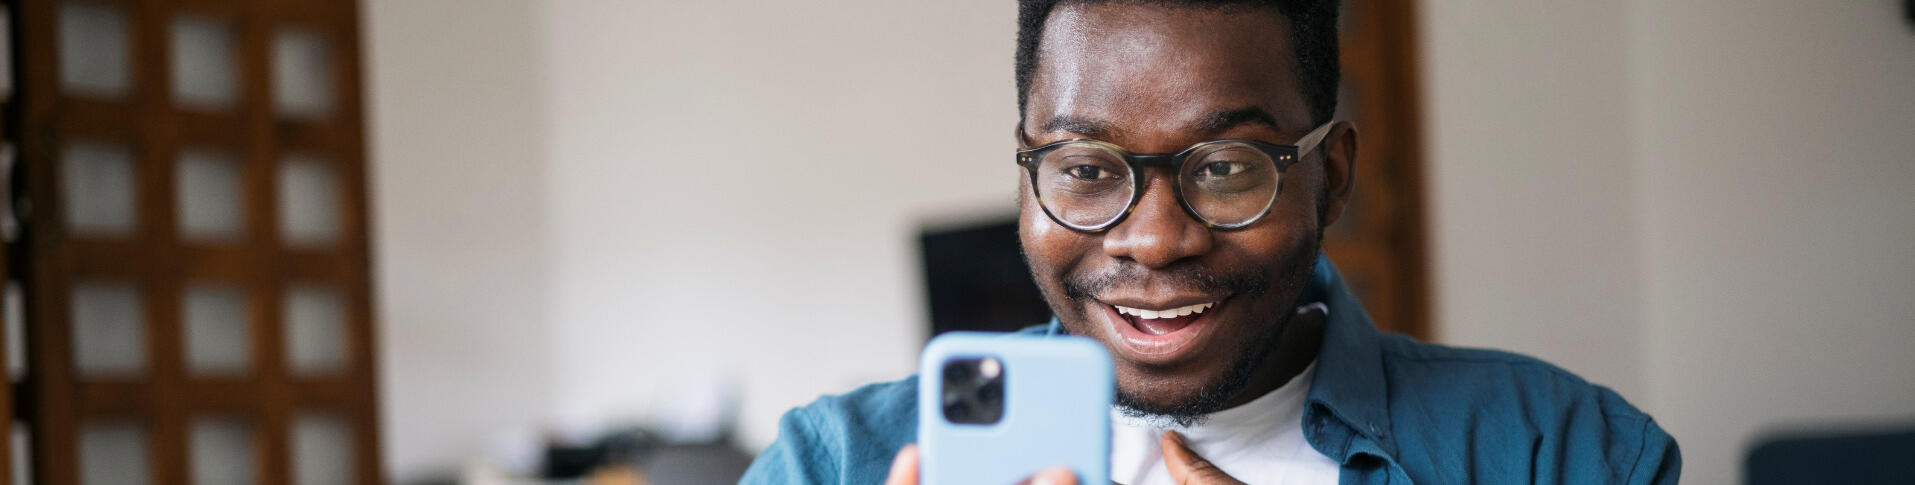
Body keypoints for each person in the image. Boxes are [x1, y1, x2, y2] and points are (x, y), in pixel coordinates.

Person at [742, 1, 1680, 483]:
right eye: (1084, 167)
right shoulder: (836, 464)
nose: (1153, 241)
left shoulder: (1557, 450)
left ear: (1334, 176)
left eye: (1228, 166)